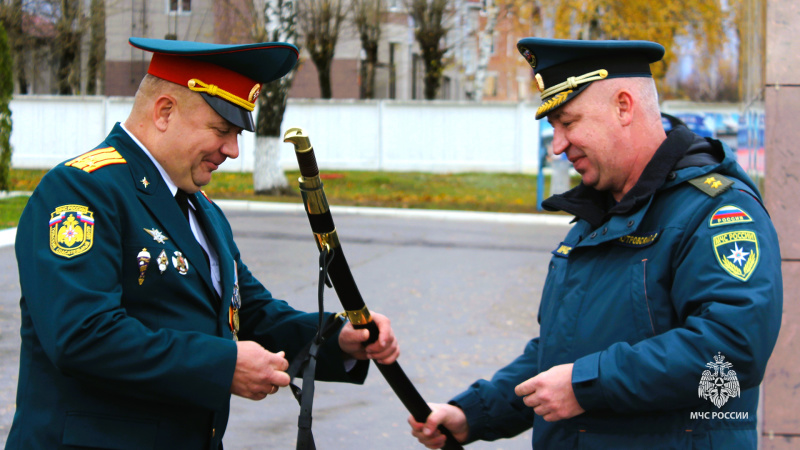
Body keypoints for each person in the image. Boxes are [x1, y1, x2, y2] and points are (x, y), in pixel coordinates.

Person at [8, 37, 399, 449]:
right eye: (221, 130)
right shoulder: (82, 189)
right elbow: (82, 335)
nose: (232, 150)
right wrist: (223, 365)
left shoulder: (202, 209)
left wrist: (336, 338)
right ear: (164, 112)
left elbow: (251, 314)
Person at [408, 38, 782, 449]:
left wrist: (588, 384)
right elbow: (560, 352)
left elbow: (733, 351)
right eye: (554, 128)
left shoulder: (715, 212)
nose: (558, 145)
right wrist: (474, 414)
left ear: (624, 106)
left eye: (568, 122)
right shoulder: (597, 216)